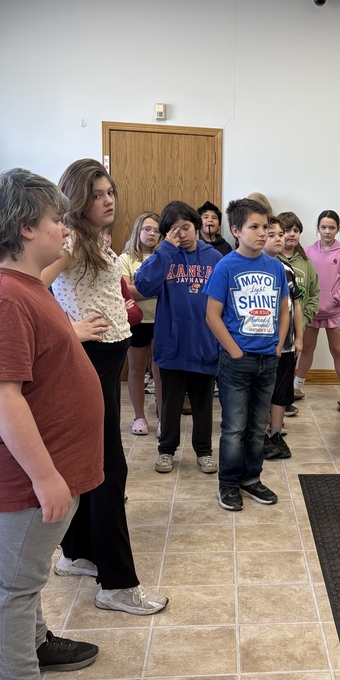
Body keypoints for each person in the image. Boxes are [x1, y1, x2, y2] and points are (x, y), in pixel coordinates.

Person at [0, 169, 105, 680]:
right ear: (25, 228)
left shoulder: (24, 284)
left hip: (49, 467)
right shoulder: (0, 299)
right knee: (14, 582)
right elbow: (2, 397)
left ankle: (36, 641)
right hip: (27, 476)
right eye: (55, 220)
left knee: (29, 572)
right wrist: (46, 478)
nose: (64, 228)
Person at [44, 158, 168, 616]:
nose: (108, 200)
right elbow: (30, 288)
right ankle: (116, 585)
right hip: (90, 362)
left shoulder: (94, 240)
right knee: (108, 470)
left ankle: (77, 554)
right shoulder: (72, 240)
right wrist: (68, 327)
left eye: (110, 191)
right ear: (78, 198)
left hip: (105, 360)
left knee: (93, 465)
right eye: (96, 194)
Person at [204, 198, 289, 512]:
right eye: (254, 227)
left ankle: (251, 478)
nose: (262, 233)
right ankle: (228, 484)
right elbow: (212, 315)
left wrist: (279, 344)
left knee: (257, 427)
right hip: (238, 361)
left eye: (265, 226)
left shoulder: (275, 266)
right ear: (236, 230)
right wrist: (235, 352)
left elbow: (283, 308)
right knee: (235, 427)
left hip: (268, 359)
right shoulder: (226, 266)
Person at [134, 200, 222, 475]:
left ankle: (204, 451)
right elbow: (143, 285)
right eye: (174, 230)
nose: (182, 234)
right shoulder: (164, 256)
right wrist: (165, 250)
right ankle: (166, 450)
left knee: (203, 404)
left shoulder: (214, 259)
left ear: (196, 227)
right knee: (169, 403)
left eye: (186, 228)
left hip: (204, 344)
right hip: (172, 344)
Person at [295, 210, 340, 411]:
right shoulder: (308, 252)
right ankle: (296, 388)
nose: (327, 231)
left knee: (338, 351)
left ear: (338, 229)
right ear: (318, 228)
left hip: (333, 312)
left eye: (331, 227)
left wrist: (336, 300)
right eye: (323, 227)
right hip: (311, 311)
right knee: (306, 349)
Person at [262, 216, 302, 460]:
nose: (279, 239)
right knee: (262, 391)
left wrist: (298, 338)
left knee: (280, 391)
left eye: (280, 234)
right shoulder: (253, 266)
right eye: (272, 235)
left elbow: (296, 305)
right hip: (261, 344)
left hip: (285, 345)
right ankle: (259, 435)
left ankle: (276, 432)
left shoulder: (287, 270)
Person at [118, 212, 162, 436]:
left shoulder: (164, 257)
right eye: (147, 229)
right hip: (137, 322)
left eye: (156, 230)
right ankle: (139, 417)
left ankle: (163, 418)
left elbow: (139, 290)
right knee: (136, 370)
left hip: (161, 320)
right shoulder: (125, 259)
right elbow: (126, 291)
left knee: (160, 370)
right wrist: (154, 289)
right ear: (138, 230)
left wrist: (139, 289)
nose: (152, 233)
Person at [279, 211, 320, 404]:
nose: (292, 234)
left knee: (289, 367)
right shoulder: (273, 259)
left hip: (297, 327)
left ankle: (285, 404)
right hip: (276, 328)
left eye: (296, 230)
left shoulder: (306, 262)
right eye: (287, 230)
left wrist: (303, 319)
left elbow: (314, 293)